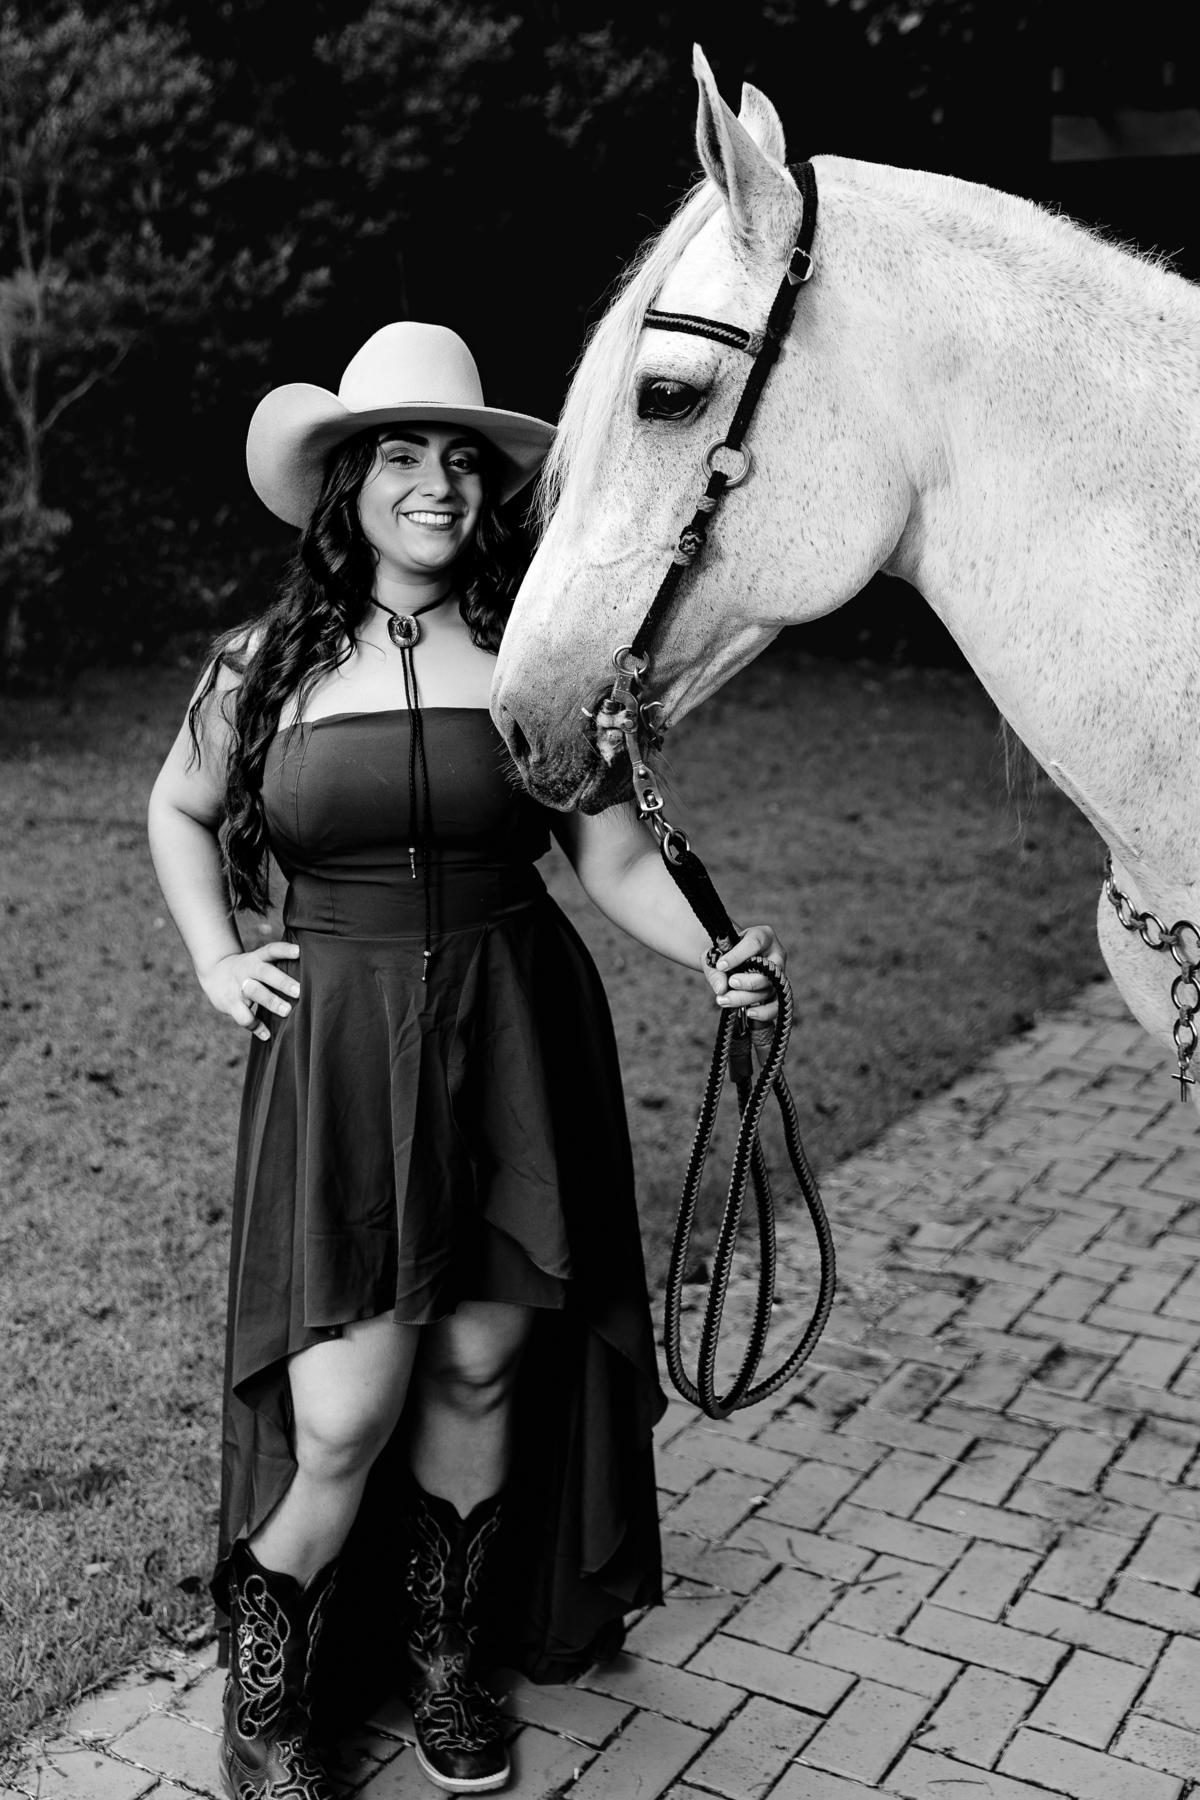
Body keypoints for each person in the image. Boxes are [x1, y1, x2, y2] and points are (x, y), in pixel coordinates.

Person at [147, 321, 785, 1799]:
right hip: (343, 1054)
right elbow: (178, 809)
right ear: (347, 483)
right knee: (344, 1409)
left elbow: (613, 858)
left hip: (512, 1031)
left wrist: (713, 954)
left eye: (459, 458)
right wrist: (216, 956)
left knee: (486, 1365)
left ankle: (448, 1661)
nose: (435, 482)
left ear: (486, 487)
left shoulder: (539, 660)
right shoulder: (259, 665)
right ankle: (268, 1699)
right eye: (401, 455)